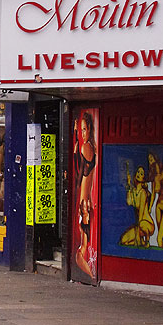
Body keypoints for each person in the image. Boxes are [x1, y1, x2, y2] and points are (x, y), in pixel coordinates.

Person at [74, 112, 96, 278]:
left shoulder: (85, 147)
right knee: (84, 243)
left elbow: (79, 174)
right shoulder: (92, 148)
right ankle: (92, 272)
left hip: (83, 200)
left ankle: (92, 274)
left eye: (84, 129)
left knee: (81, 248)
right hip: (87, 198)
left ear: (89, 129)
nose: (82, 133)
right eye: (80, 130)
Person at [119, 164, 154, 247]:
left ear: (144, 178)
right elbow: (129, 202)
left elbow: (141, 213)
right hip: (138, 223)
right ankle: (139, 242)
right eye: (138, 172)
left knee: (142, 224)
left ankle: (147, 241)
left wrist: (137, 234)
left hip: (146, 224)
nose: (139, 174)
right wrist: (128, 187)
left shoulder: (143, 193)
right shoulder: (134, 191)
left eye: (141, 174)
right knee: (123, 240)